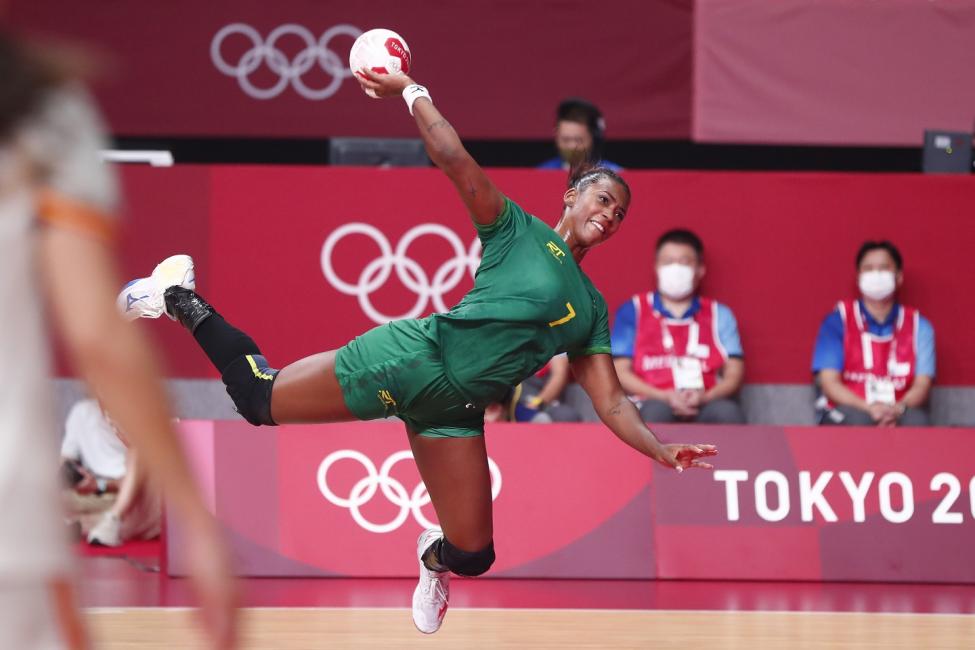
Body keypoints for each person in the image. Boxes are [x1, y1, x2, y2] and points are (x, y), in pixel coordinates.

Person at [121, 68, 717, 636]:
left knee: (474, 554)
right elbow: (453, 158)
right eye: (602, 200)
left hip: (454, 415)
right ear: (571, 197)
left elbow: (611, 402)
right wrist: (410, 89)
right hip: (412, 357)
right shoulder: (515, 230)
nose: (609, 215)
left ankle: (431, 561)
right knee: (258, 399)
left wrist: (659, 449)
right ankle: (177, 294)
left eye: (619, 212)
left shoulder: (590, 309)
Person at [0, 32, 236, 648]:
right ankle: (168, 297)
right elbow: (98, 339)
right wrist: (200, 527)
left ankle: (166, 296)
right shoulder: (43, 109)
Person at [569, 229, 745, 423]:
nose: (676, 269)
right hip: (652, 400)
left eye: (684, 262)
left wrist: (706, 397)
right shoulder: (633, 311)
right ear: (656, 267)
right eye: (668, 262)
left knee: (728, 413)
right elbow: (619, 370)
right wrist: (664, 396)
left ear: (700, 269)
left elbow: (734, 373)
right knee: (654, 413)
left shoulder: (720, 314)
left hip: (705, 401)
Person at [812, 241, 935, 426]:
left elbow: (922, 386)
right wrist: (870, 409)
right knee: (858, 421)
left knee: (918, 421)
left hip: (898, 409)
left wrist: (897, 409)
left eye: (884, 268)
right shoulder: (837, 322)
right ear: (858, 277)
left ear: (899, 277)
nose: (876, 275)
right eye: (868, 269)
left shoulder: (920, 327)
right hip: (850, 409)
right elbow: (830, 383)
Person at [61, 398, 162, 547]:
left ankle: (112, 519)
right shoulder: (82, 411)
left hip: (129, 492)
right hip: (93, 492)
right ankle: (88, 525)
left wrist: (99, 485)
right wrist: (74, 478)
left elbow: (139, 478)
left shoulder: (144, 415)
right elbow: (64, 461)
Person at [537, 98, 622, 172]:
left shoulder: (614, 175)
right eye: (565, 140)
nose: (572, 146)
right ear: (556, 136)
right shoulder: (540, 173)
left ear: (593, 138)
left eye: (578, 140)